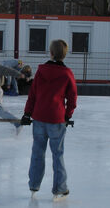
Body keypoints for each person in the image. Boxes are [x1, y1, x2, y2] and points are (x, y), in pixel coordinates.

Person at [20, 39, 77, 201]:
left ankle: (34, 184)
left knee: (37, 152)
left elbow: (33, 95)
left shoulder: (41, 71)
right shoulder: (67, 74)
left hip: (39, 118)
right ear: (64, 55)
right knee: (57, 154)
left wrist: (27, 114)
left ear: (51, 53)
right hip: (56, 119)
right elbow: (72, 98)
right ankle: (60, 188)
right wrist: (67, 115)